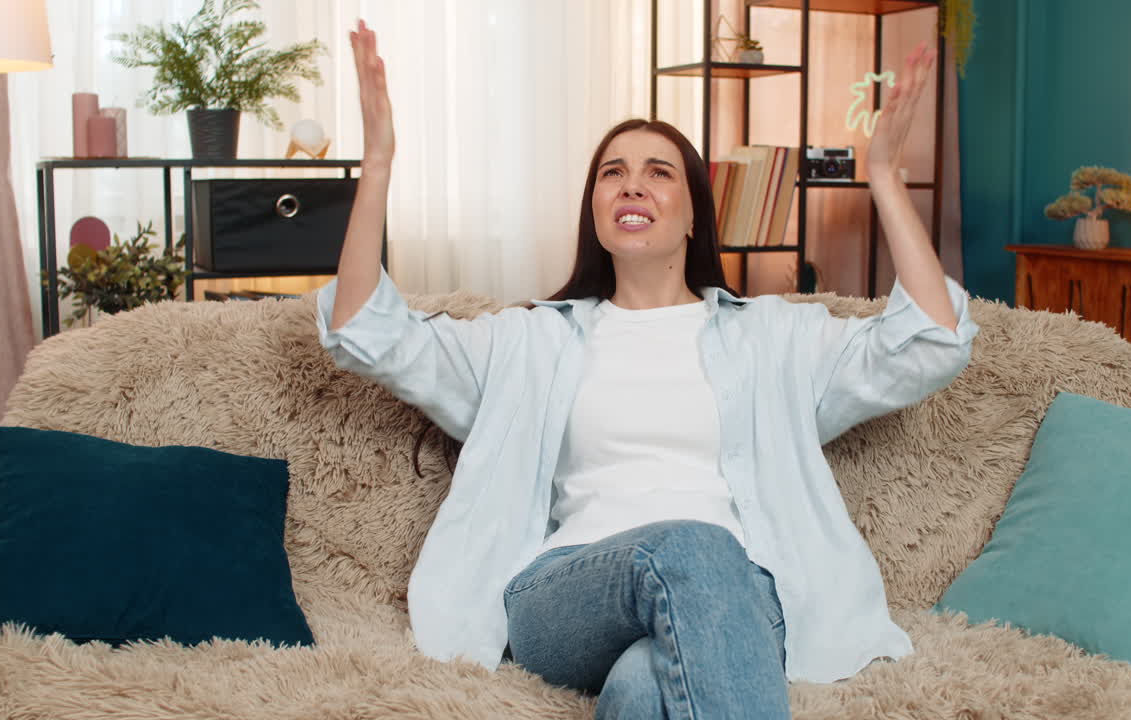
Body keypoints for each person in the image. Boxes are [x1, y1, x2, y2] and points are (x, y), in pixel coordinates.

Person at [318, 19, 979, 720]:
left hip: (739, 598)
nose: (632, 186)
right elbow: (365, 332)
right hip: (566, 598)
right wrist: (378, 164)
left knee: (642, 686)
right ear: (596, 210)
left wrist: (885, 177)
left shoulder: (774, 338)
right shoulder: (528, 342)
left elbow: (931, 343)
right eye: (613, 174)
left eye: (658, 173)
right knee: (691, 545)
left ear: (695, 215)